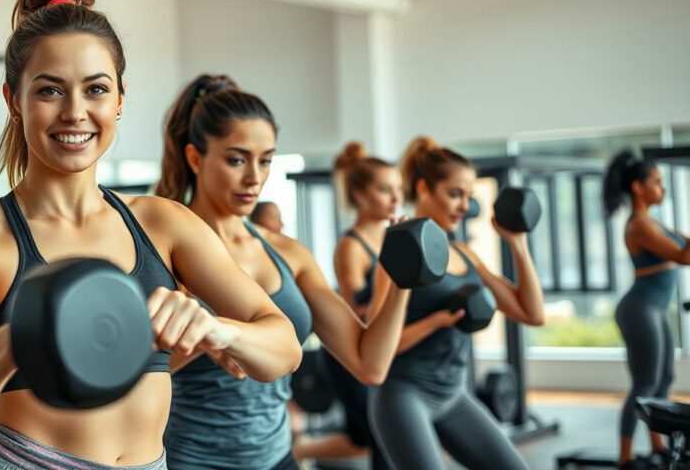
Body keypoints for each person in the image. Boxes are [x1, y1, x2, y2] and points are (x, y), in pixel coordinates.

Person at [0, 0, 303, 470]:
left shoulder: (163, 224)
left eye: (95, 90)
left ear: (119, 100)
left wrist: (216, 330)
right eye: (50, 91)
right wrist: (31, 330)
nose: (75, 112)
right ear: (14, 101)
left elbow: (284, 346)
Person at [156, 75, 413, 470]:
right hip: (192, 461)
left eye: (266, 160)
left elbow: (370, 364)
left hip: (278, 458)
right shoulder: (164, 250)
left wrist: (399, 281)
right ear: (195, 158)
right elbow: (128, 373)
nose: (254, 178)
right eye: (237, 159)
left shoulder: (289, 254)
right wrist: (204, 336)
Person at [367, 136, 545, 470]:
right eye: (454, 194)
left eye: (468, 196)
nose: (464, 206)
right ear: (423, 190)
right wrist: (437, 321)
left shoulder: (464, 253)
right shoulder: (396, 254)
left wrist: (517, 245)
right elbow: (376, 349)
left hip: (454, 394)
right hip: (404, 396)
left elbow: (531, 313)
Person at [297, 141, 401, 468]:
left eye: (398, 188)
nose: (396, 198)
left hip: (388, 349)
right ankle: (299, 450)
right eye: (385, 190)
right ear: (359, 195)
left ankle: (300, 449)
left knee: (365, 438)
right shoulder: (351, 247)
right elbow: (361, 311)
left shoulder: (392, 237)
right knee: (381, 440)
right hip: (350, 353)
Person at [604, 150, 690, 470]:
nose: (662, 188)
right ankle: (624, 457)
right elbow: (684, 256)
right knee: (643, 385)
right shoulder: (639, 225)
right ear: (638, 187)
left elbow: (685, 247)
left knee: (664, 377)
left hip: (655, 308)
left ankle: (657, 445)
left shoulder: (652, 221)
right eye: (656, 182)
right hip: (640, 309)